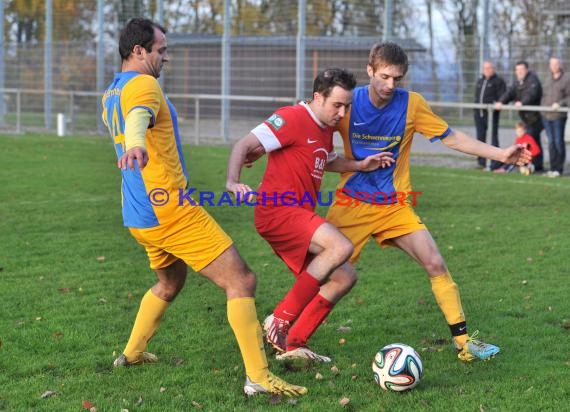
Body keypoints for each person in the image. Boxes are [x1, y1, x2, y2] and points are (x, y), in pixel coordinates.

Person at [100, 17, 307, 397]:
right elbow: (138, 119)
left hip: (138, 212)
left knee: (170, 281)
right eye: (161, 50)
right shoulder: (143, 85)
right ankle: (258, 378)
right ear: (138, 51)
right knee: (241, 280)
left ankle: (132, 352)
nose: (166, 58)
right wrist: (136, 143)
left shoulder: (112, 91)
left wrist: (135, 142)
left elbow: (133, 117)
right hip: (170, 210)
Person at [323, 42, 531, 362]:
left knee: (435, 263)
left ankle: (464, 343)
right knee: (322, 273)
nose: (390, 85)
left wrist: (501, 153)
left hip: (395, 205)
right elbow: (313, 128)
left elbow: (452, 137)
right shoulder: (349, 102)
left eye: (398, 78)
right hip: (351, 203)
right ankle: (285, 328)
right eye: (384, 76)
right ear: (369, 71)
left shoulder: (412, 104)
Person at [226, 68, 394, 362]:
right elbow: (244, 145)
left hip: (297, 214)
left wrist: (361, 165)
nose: (341, 113)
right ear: (318, 97)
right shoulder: (291, 117)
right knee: (340, 246)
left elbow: (327, 160)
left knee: (343, 277)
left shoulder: (325, 127)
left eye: (346, 106)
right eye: (336, 105)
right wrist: (232, 181)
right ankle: (279, 320)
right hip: (278, 211)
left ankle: (293, 343)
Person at [496, 60, 544, 172]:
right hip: (526, 118)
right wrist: (501, 102)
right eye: (517, 70)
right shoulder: (518, 82)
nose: (519, 72)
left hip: (536, 118)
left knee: (530, 142)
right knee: (534, 142)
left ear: (526, 70)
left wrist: (522, 102)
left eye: (522, 70)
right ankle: (536, 166)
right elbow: (510, 93)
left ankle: (530, 165)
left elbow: (531, 94)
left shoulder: (533, 80)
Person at [473, 61, 506, 170]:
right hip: (479, 114)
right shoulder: (480, 81)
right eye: (485, 68)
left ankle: (495, 162)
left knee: (493, 137)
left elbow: (503, 96)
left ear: (493, 69)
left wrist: (498, 103)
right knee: (480, 137)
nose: (487, 70)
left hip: (491, 114)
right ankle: (482, 161)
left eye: (489, 68)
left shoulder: (498, 81)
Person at [541, 57, 570, 178]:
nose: (554, 66)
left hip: (558, 116)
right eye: (552, 64)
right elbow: (543, 96)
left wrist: (560, 104)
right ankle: (552, 168)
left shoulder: (566, 78)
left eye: (556, 64)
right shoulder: (548, 79)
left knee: (558, 142)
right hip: (546, 116)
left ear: (560, 64)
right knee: (551, 143)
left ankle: (559, 169)